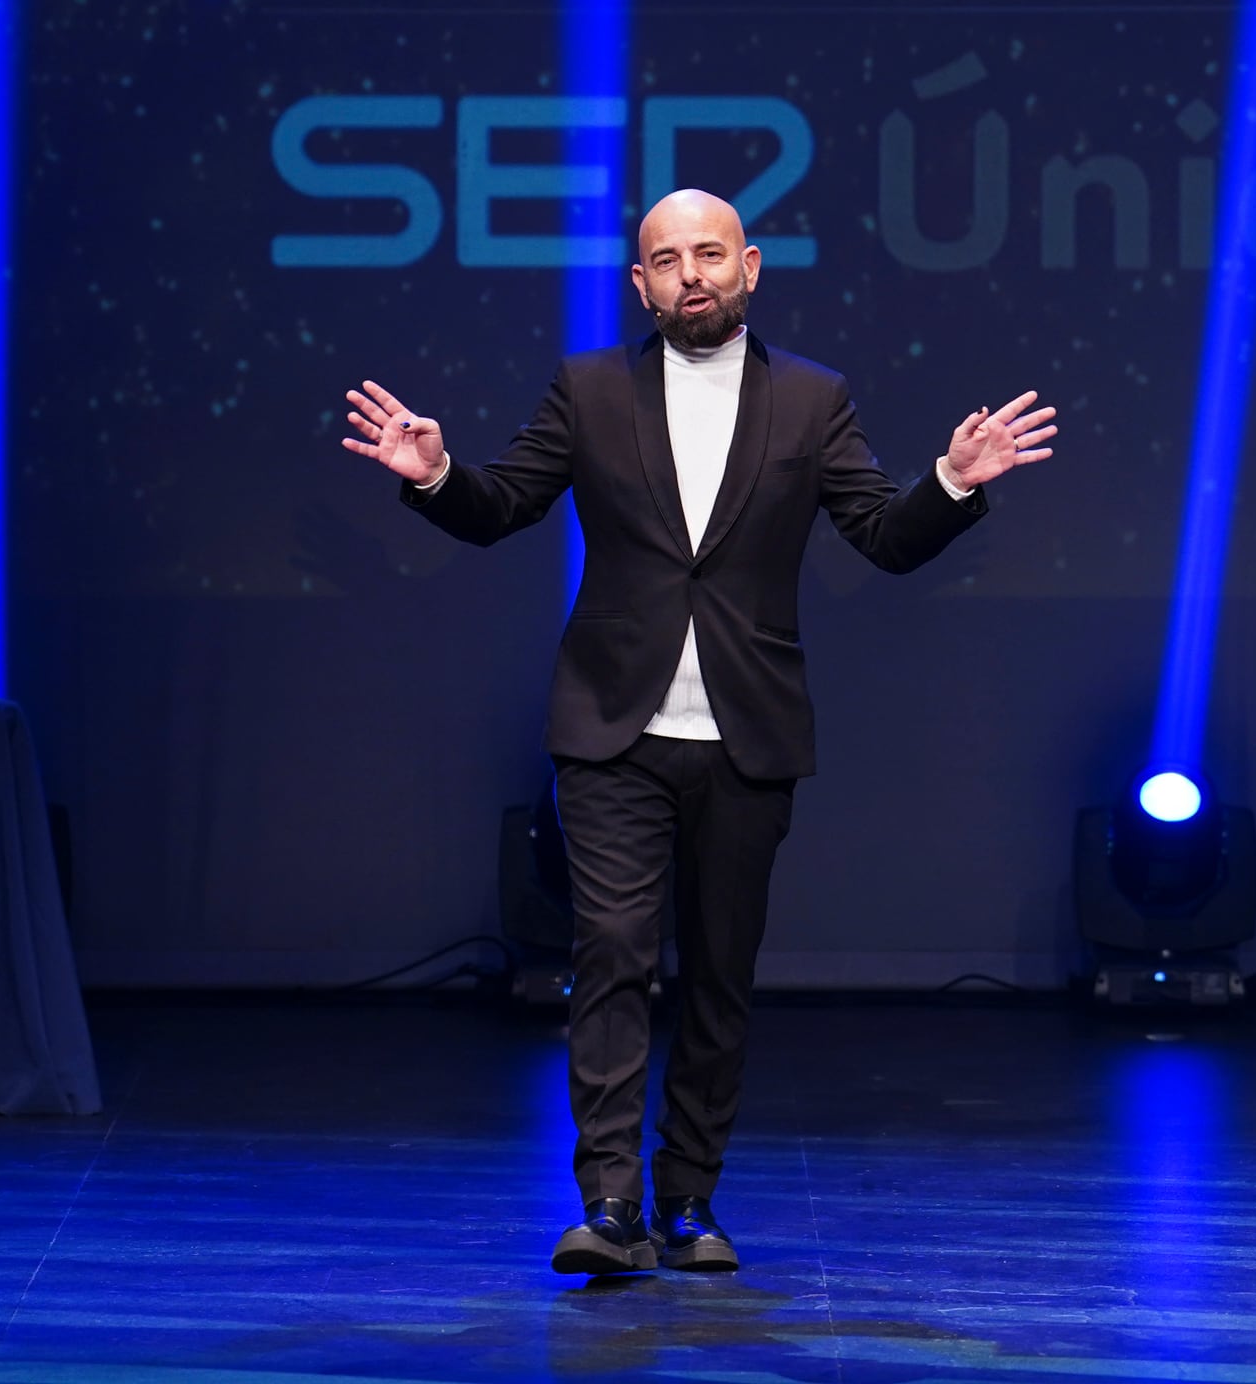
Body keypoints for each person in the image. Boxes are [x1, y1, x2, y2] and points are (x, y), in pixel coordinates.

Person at [340, 187, 1056, 1276]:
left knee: (719, 974)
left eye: (710, 253)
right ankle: (612, 1202)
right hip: (613, 727)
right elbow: (503, 506)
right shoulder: (588, 389)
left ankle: (689, 1199)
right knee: (614, 953)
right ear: (641, 283)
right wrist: (435, 473)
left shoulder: (813, 399)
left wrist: (953, 481)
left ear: (751, 266)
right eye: (668, 259)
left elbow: (879, 534)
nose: (692, 274)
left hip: (747, 732)